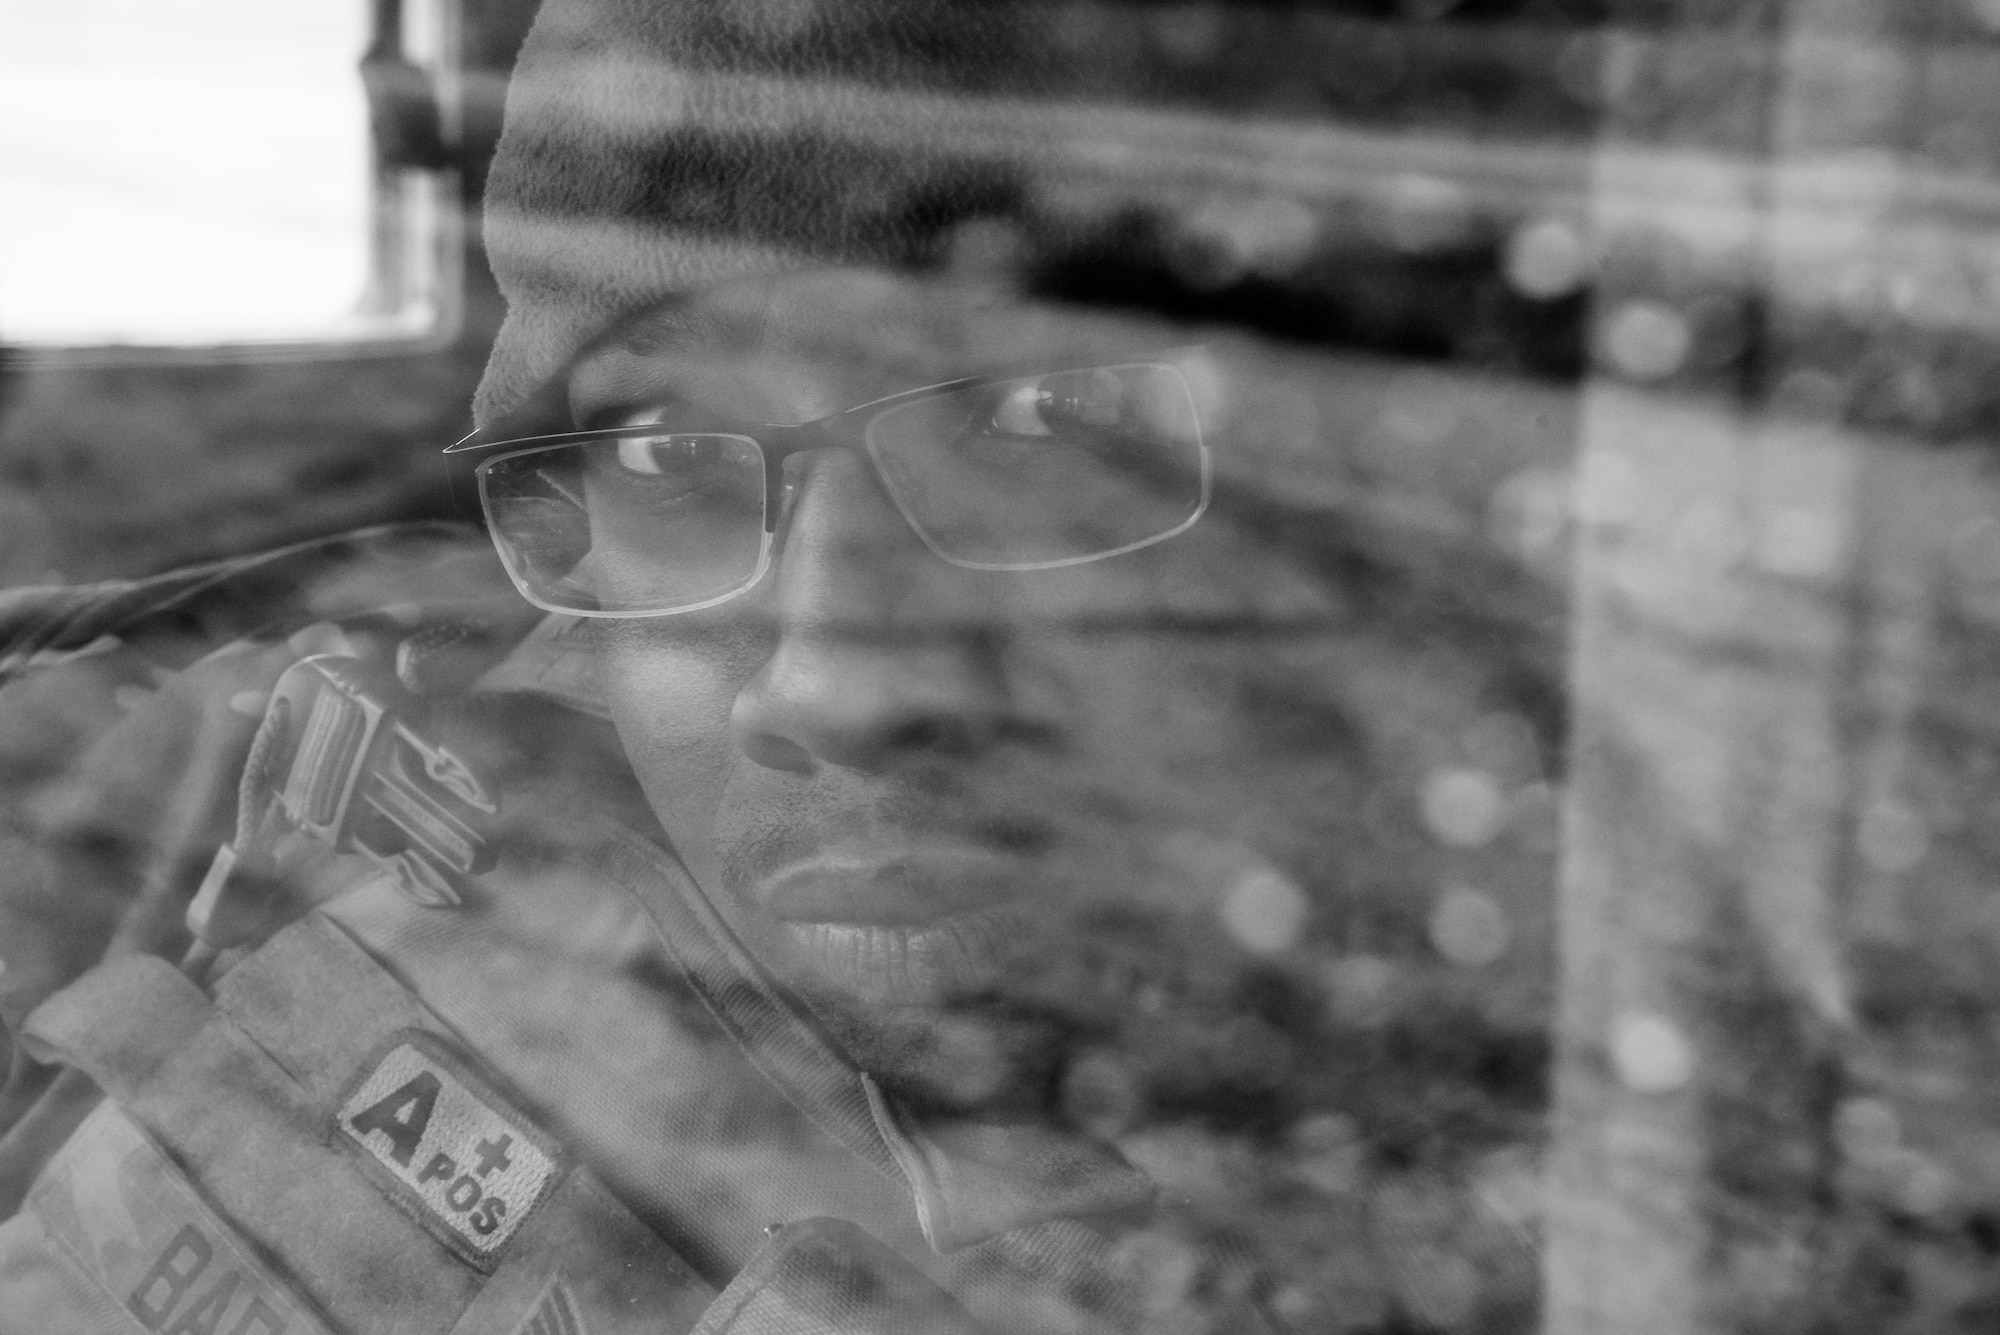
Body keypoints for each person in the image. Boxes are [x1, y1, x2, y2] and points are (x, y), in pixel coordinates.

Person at [0, 2, 1553, 1331]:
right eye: (673, 452)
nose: (836, 684)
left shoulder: (1577, 1124)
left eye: (1042, 424)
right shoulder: (292, 767)